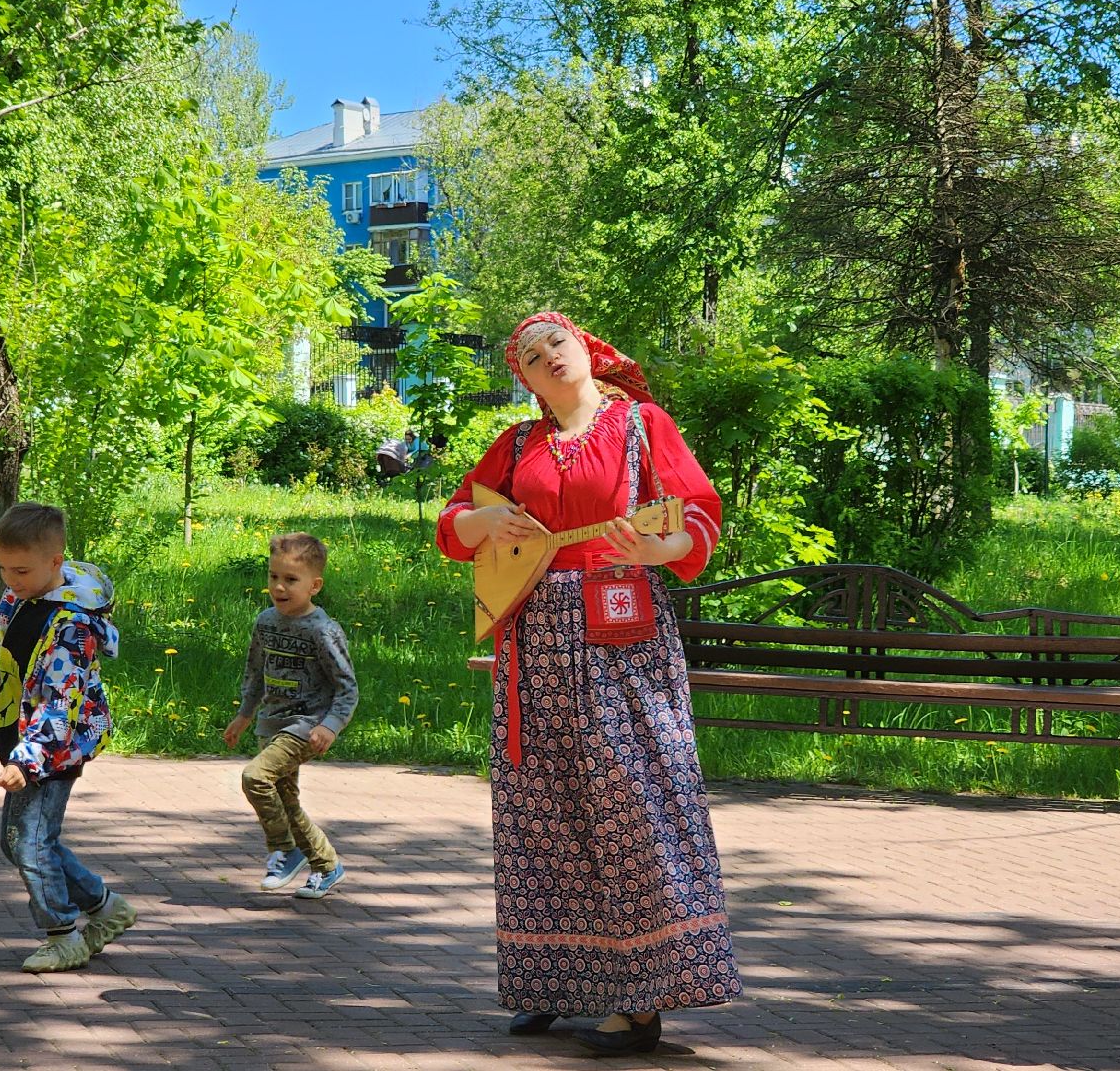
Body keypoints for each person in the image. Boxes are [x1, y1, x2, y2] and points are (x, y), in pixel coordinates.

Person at [434, 312, 740, 1055]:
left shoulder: (641, 424)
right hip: (533, 639)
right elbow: (453, 523)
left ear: (587, 349)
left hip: (619, 633)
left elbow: (697, 514)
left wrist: (659, 543)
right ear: (527, 381)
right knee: (544, 807)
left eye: (557, 346)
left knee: (630, 803)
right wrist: (488, 527)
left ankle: (642, 1000)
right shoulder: (515, 446)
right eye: (533, 358)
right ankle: (556, 980)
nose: (549, 360)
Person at [0, 502, 134, 973]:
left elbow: (62, 702)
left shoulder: (72, 626)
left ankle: (63, 936)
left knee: (28, 842)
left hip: (56, 747)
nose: (11, 579)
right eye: (2, 568)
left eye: (21, 569)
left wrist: (27, 760)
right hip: (21, 740)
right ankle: (105, 907)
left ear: (55, 562)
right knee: (23, 840)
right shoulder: (15, 599)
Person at [223, 532, 358, 899]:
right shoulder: (266, 622)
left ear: (314, 585)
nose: (279, 587)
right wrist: (244, 715)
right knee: (286, 801)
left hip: (306, 726)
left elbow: (348, 687)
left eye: (291, 580)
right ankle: (327, 866)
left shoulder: (322, 630)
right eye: (273, 577)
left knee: (255, 777)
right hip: (272, 722)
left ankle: (284, 849)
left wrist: (330, 726)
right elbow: (255, 673)